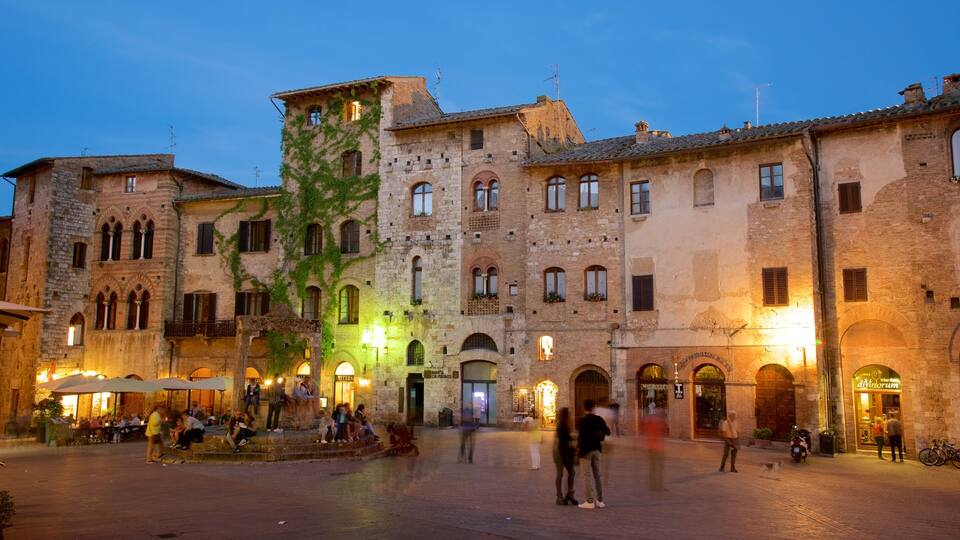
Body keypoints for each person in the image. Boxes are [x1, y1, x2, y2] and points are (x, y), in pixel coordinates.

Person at [577, 400, 610, 509]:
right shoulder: (598, 419)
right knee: (597, 475)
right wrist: (599, 433)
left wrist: (579, 450)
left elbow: (581, 438)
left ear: (584, 408)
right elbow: (608, 431)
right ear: (593, 408)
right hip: (596, 449)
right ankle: (600, 500)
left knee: (586, 476)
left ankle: (589, 501)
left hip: (586, 450)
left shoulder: (583, 421)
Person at [553, 407, 577, 505]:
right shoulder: (563, 425)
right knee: (562, 473)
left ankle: (568, 494)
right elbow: (564, 439)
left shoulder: (563, 424)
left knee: (568, 472)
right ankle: (560, 496)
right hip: (561, 451)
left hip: (562, 450)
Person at [642, 407, 667, 491]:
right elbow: (661, 434)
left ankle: (653, 485)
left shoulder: (649, 420)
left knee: (652, 467)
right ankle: (659, 486)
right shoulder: (659, 422)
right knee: (659, 467)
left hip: (650, 447)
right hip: (658, 448)